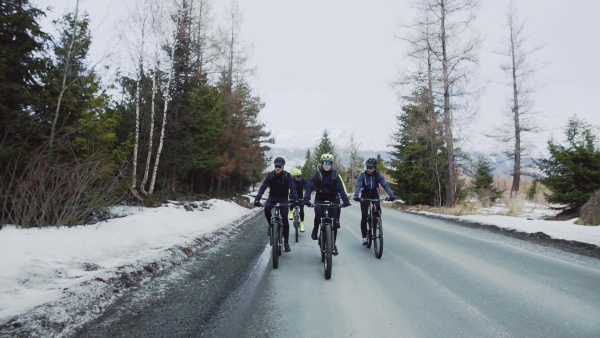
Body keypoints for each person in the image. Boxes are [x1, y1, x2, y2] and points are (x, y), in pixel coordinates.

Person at [303, 153, 351, 256]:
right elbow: (310, 186)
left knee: (333, 223)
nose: (326, 165)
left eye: (329, 163)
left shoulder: (335, 175)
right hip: (320, 199)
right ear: (321, 164)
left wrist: (345, 200)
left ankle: (333, 245)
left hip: (333, 199)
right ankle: (315, 229)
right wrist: (306, 198)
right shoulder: (318, 174)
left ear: (331, 164)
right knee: (319, 214)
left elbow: (340, 189)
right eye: (325, 163)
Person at [254, 157, 299, 252]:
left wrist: (296, 200)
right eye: (276, 166)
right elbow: (263, 187)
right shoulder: (270, 175)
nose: (278, 168)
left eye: (280, 167)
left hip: (283, 199)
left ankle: (286, 243)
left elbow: (293, 189)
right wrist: (257, 199)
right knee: (266, 209)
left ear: (283, 167)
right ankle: (271, 226)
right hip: (272, 198)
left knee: (285, 219)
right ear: (274, 166)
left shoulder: (287, 176)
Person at [353, 158, 395, 246]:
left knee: (377, 210)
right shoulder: (362, 175)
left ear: (374, 168)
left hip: (374, 194)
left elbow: (385, 185)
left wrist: (391, 195)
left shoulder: (378, 175)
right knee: (364, 215)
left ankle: (376, 222)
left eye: (371, 168)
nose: (369, 169)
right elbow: (359, 185)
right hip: (365, 194)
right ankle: (364, 237)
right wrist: (356, 195)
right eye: (368, 167)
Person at [288, 168, 307, 232]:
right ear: (294, 176)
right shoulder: (291, 180)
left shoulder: (302, 180)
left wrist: (307, 193)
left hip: (300, 196)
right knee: (291, 203)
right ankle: (291, 212)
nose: (299, 178)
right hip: (292, 195)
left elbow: (307, 186)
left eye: (300, 176)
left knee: (301, 209)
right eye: (297, 176)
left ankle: (302, 223)